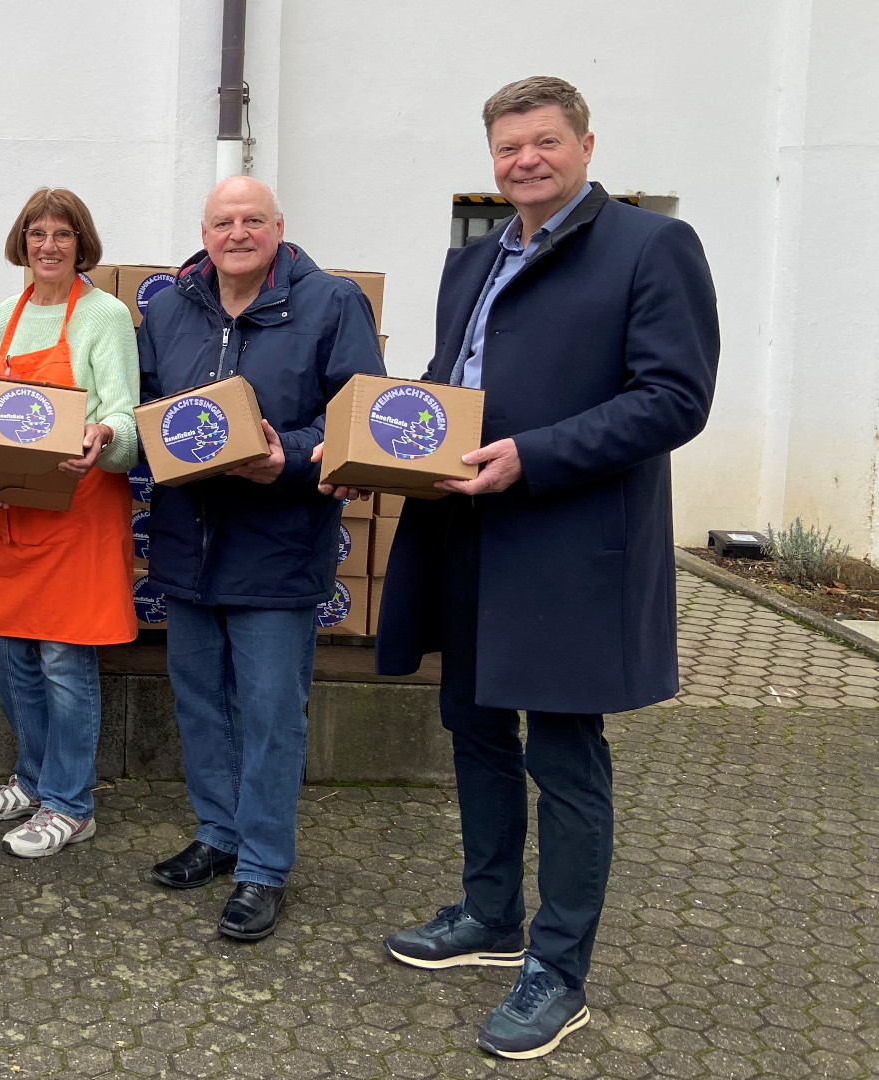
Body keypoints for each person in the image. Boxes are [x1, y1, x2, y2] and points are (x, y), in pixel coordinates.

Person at [321, 77, 719, 1060]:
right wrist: (365, 443)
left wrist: (534, 455)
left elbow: (675, 398)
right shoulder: (473, 260)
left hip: (566, 543)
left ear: (585, 143)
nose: (524, 162)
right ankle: (489, 915)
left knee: (566, 755)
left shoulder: (650, 247)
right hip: (464, 531)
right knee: (473, 726)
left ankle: (559, 970)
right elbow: (448, 385)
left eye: (543, 142)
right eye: (508, 148)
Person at [136, 177, 384, 941]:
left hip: (276, 543)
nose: (236, 233)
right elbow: (145, 404)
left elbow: (360, 417)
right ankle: (218, 833)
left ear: (279, 227)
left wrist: (292, 457)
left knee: (272, 712)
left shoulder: (331, 303)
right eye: (222, 222)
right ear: (203, 232)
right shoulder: (170, 307)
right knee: (200, 702)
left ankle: (265, 866)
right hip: (188, 539)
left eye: (252, 220)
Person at [0, 188, 139, 858]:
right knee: (0, 651)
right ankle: (35, 778)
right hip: (14, 511)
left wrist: (103, 436)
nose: (48, 246)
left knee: (65, 660)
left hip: (77, 510)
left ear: (80, 242)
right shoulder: (6, 315)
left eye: (62, 234)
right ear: (22, 241)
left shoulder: (106, 315)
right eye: (37, 233)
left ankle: (71, 803)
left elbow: (125, 418)